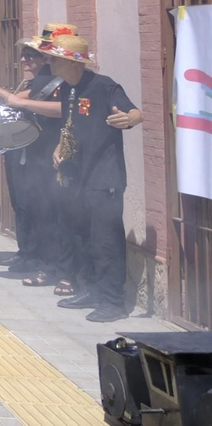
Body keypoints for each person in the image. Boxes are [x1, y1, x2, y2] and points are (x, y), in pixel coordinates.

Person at [18, 26, 141, 322]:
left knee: (105, 241)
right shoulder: (69, 89)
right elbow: (71, 122)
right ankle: (91, 289)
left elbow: (135, 112)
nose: (50, 64)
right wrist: (60, 145)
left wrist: (130, 119)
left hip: (104, 178)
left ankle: (113, 302)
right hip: (79, 177)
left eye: (55, 60)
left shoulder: (103, 85)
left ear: (74, 62)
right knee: (82, 236)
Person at [0, 36, 64, 282]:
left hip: (40, 151)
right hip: (21, 148)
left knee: (39, 206)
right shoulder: (33, 81)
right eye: (23, 55)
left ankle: (41, 258)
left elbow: (16, 100)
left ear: (45, 58)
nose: (23, 59)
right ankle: (26, 252)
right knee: (21, 203)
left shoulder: (51, 80)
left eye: (29, 55)